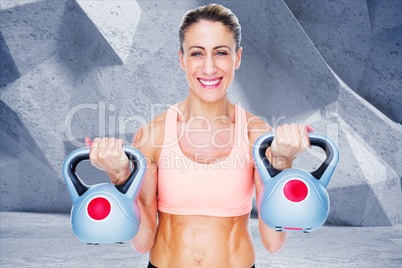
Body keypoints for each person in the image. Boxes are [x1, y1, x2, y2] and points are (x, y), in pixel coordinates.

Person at [85, 4, 312, 268]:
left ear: (237, 58)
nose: (208, 67)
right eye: (196, 53)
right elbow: (142, 242)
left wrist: (282, 164)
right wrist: (121, 179)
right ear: (181, 59)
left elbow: (274, 242)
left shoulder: (256, 135)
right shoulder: (153, 134)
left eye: (221, 53)